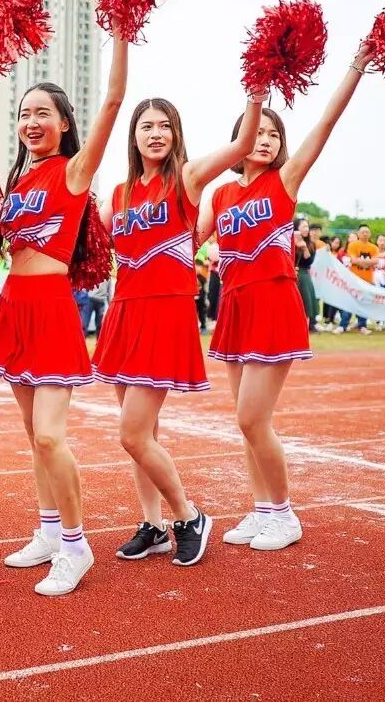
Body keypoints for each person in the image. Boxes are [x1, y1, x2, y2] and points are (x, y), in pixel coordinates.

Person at [0, 24, 128, 596]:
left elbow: (112, 103)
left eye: (43, 113)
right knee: (31, 433)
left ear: (65, 123)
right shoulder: (18, 178)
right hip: (14, 305)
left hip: (51, 306)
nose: (31, 122)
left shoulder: (73, 170)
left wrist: (122, 30)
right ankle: (47, 531)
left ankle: (74, 543)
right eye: (24, 114)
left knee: (48, 436)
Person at [201, 48, 369, 552]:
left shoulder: (285, 180)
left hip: (273, 303)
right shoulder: (220, 194)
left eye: (275, 135)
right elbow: (185, 238)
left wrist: (356, 67)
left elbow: (326, 122)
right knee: (247, 423)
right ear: (240, 137)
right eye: (258, 131)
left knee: (252, 418)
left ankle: (284, 513)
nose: (266, 140)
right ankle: (261, 509)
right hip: (234, 306)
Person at [97, 83, 265, 571]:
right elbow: (86, 231)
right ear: (133, 136)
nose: (155, 133)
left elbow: (241, 144)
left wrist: (255, 96)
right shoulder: (119, 193)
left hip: (164, 313)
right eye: (146, 126)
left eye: (164, 126)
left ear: (176, 134)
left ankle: (189, 517)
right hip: (124, 313)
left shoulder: (187, 179)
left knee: (132, 434)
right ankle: (152, 527)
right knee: (144, 433)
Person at [344, 225, 378, 335]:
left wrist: (361, 261)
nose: (365, 234)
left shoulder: (373, 247)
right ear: (358, 233)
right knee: (349, 302)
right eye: (363, 232)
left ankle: (362, 325)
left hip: (367, 280)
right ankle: (343, 325)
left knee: (364, 303)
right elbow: (353, 260)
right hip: (353, 279)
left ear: (370, 234)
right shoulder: (353, 245)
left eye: (367, 232)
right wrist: (368, 262)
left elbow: (376, 261)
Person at [293, 216, 317, 332]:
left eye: (307, 226)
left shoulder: (311, 244)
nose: (306, 229)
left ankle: (305, 330)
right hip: (291, 275)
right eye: (303, 226)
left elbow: (309, 261)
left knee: (306, 306)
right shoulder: (289, 241)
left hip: (304, 276)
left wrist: (304, 248)